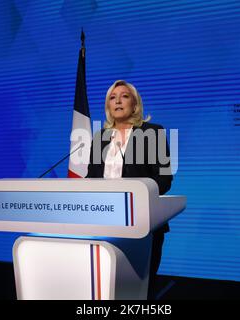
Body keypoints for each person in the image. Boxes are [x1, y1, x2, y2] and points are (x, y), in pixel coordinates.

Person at [86, 79, 173, 299]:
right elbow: (90, 178)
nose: (117, 101)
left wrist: (137, 198)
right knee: (106, 287)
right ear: (108, 107)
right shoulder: (100, 138)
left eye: (124, 96)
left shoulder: (153, 132)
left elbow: (164, 179)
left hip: (142, 222)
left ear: (135, 104)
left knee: (139, 290)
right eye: (112, 98)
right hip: (104, 223)